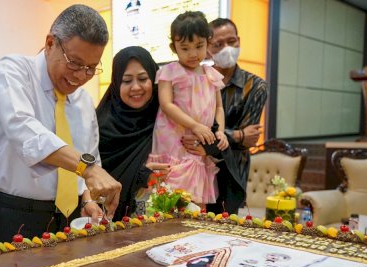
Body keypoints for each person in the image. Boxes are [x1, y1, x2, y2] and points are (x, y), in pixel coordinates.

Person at [0, 4, 121, 245]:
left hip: (71, 219)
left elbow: (91, 156)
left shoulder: (83, 100)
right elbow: (25, 131)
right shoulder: (14, 71)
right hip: (18, 217)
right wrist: (87, 169)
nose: (80, 76)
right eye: (75, 63)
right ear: (50, 44)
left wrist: (88, 198)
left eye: (90, 68)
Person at [182, 18, 267, 214]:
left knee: (225, 230)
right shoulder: (197, 80)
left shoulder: (255, 86)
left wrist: (208, 141)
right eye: (218, 44)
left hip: (232, 173)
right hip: (194, 167)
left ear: (239, 40)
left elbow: (249, 139)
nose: (227, 48)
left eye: (231, 41)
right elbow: (185, 125)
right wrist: (238, 135)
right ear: (208, 48)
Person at [148, 11, 229, 206]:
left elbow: (219, 107)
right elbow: (166, 104)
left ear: (208, 43)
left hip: (200, 139)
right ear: (174, 47)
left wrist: (220, 131)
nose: (193, 54)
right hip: (174, 138)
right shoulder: (169, 71)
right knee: (171, 192)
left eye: (199, 46)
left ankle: (194, 232)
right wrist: (195, 125)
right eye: (185, 48)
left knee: (197, 195)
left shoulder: (212, 74)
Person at [97, 46, 169, 218]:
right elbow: (95, 178)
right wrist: (139, 175)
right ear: (116, 83)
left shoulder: (165, 116)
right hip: (119, 221)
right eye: (127, 81)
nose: (136, 87)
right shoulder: (103, 126)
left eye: (143, 79)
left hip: (167, 214)